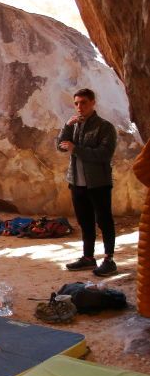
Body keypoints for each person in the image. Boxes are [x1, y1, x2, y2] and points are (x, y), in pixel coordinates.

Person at [57, 88, 118, 276]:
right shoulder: (74, 125)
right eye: (76, 103)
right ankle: (88, 258)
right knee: (85, 222)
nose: (79, 107)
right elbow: (60, 146)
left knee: (104, 220)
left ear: (93, 103)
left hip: (98, 183)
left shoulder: (105, 127)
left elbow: (104, 154)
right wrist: (67, 126)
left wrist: (76, 149)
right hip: (77, 182)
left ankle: (109, 259)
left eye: (83, 102)